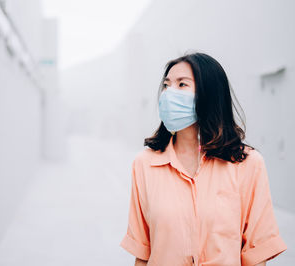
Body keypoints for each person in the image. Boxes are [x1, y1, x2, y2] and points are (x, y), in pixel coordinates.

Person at [119, 52, 287, 266]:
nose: (170, 93)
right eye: (166, 85)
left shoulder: (247, 163)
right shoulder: (145, 164)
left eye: (182, 85)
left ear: (209, 93)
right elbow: (142, 253)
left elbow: (257, 254)